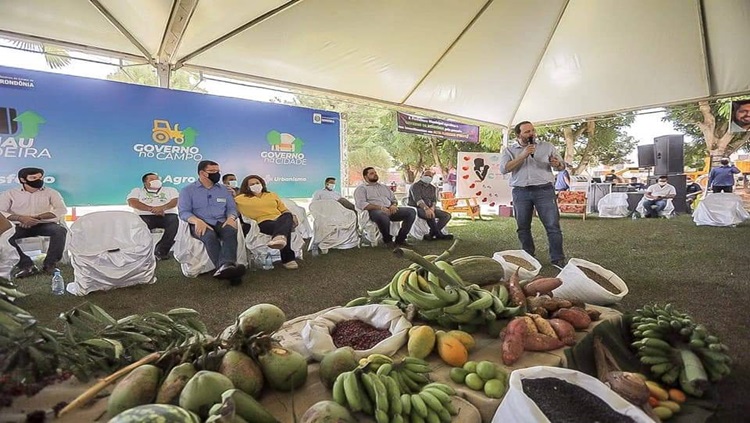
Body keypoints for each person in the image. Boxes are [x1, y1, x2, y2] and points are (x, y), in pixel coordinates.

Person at [500, 121, 566, 267]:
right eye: (527, 132)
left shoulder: (547, 146)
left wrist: (557, 164)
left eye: (532, 131)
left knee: (552, 226)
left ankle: (558, 259)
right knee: (523, 226)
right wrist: (523, 155)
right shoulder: (509, 151)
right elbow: (504, 169)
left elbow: (562, 166)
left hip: (544, 190)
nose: (531, 134)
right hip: (521, 192)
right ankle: (528, 256)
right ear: (518, 135)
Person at [178, 160, 245, 284]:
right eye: (212, 172)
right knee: (209, 236)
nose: (217, 174)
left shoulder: (224, 190)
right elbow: (184, 212)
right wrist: (197, 221)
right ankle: (230, 272)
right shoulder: (187, 190)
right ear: (202, 173)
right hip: (200, 222)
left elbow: (231, 208)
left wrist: (231, 218)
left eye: (218, 171)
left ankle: (225, 267)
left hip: (221, 221)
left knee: (230, 232)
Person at [0, 167, 68, 278]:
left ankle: (50, 264)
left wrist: (37, 218)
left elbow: (61, 210)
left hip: (43, 224)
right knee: (5, 236)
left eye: (40, 177)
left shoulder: (51, 192)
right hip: (18, 225)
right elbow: (1, 211)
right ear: (23, 180)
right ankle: (27, 266)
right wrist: (21, 218)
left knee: (59, 231)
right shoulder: (10, 194)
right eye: (33, 178)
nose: (38, 180)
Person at [235, 175, 300, 270]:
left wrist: (292, 215)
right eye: (252, 184)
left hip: (280, 219)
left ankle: (278, 238)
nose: (256, 185)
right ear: (247, 187)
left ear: (262, 184)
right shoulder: (240, 199)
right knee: (284, 229)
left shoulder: (272, 195)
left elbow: (284, 210)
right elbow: (231, 209)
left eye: (257, 183)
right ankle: (288, 259)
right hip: (262, 223)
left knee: (288, 215)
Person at [354, 167, 416, 247]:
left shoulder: (384, 187)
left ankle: (400, 239)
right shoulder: (361, 189)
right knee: (382, 215)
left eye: (375, 173)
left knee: (411, 212)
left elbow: (393, 199)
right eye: (371, 173)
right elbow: (361, 204)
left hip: (390, 209)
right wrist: (380, 208)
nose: (375, 174)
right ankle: (388, 240)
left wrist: (393, 205)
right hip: (374, 211)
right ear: (365, 177)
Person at [127, 173, 179, 260]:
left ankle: (161, 251)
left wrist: (162, 208)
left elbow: (175, 201)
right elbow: (132, 202)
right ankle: (142, 252)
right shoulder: (137, 191)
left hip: (166, 215)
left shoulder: (170, 190)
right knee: (139, 225)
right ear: (145, 182)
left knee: (174, 221)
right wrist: (152, 209)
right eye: (152, 179)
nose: (156, 181)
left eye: (157, 178)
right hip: (145, 215)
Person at [408, 169, 453, 241]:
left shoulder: (432, 188)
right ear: (422, 176)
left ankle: (431, 234)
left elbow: (434, 201)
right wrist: (426, 209)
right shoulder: (415, 186)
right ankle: (439, 235)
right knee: (429, 215)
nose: (428, 177)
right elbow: (418, 200)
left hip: (430, 208)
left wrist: (432, 208)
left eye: (430, 176)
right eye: (426, 175)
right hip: (417, 208)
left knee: (447, 215)